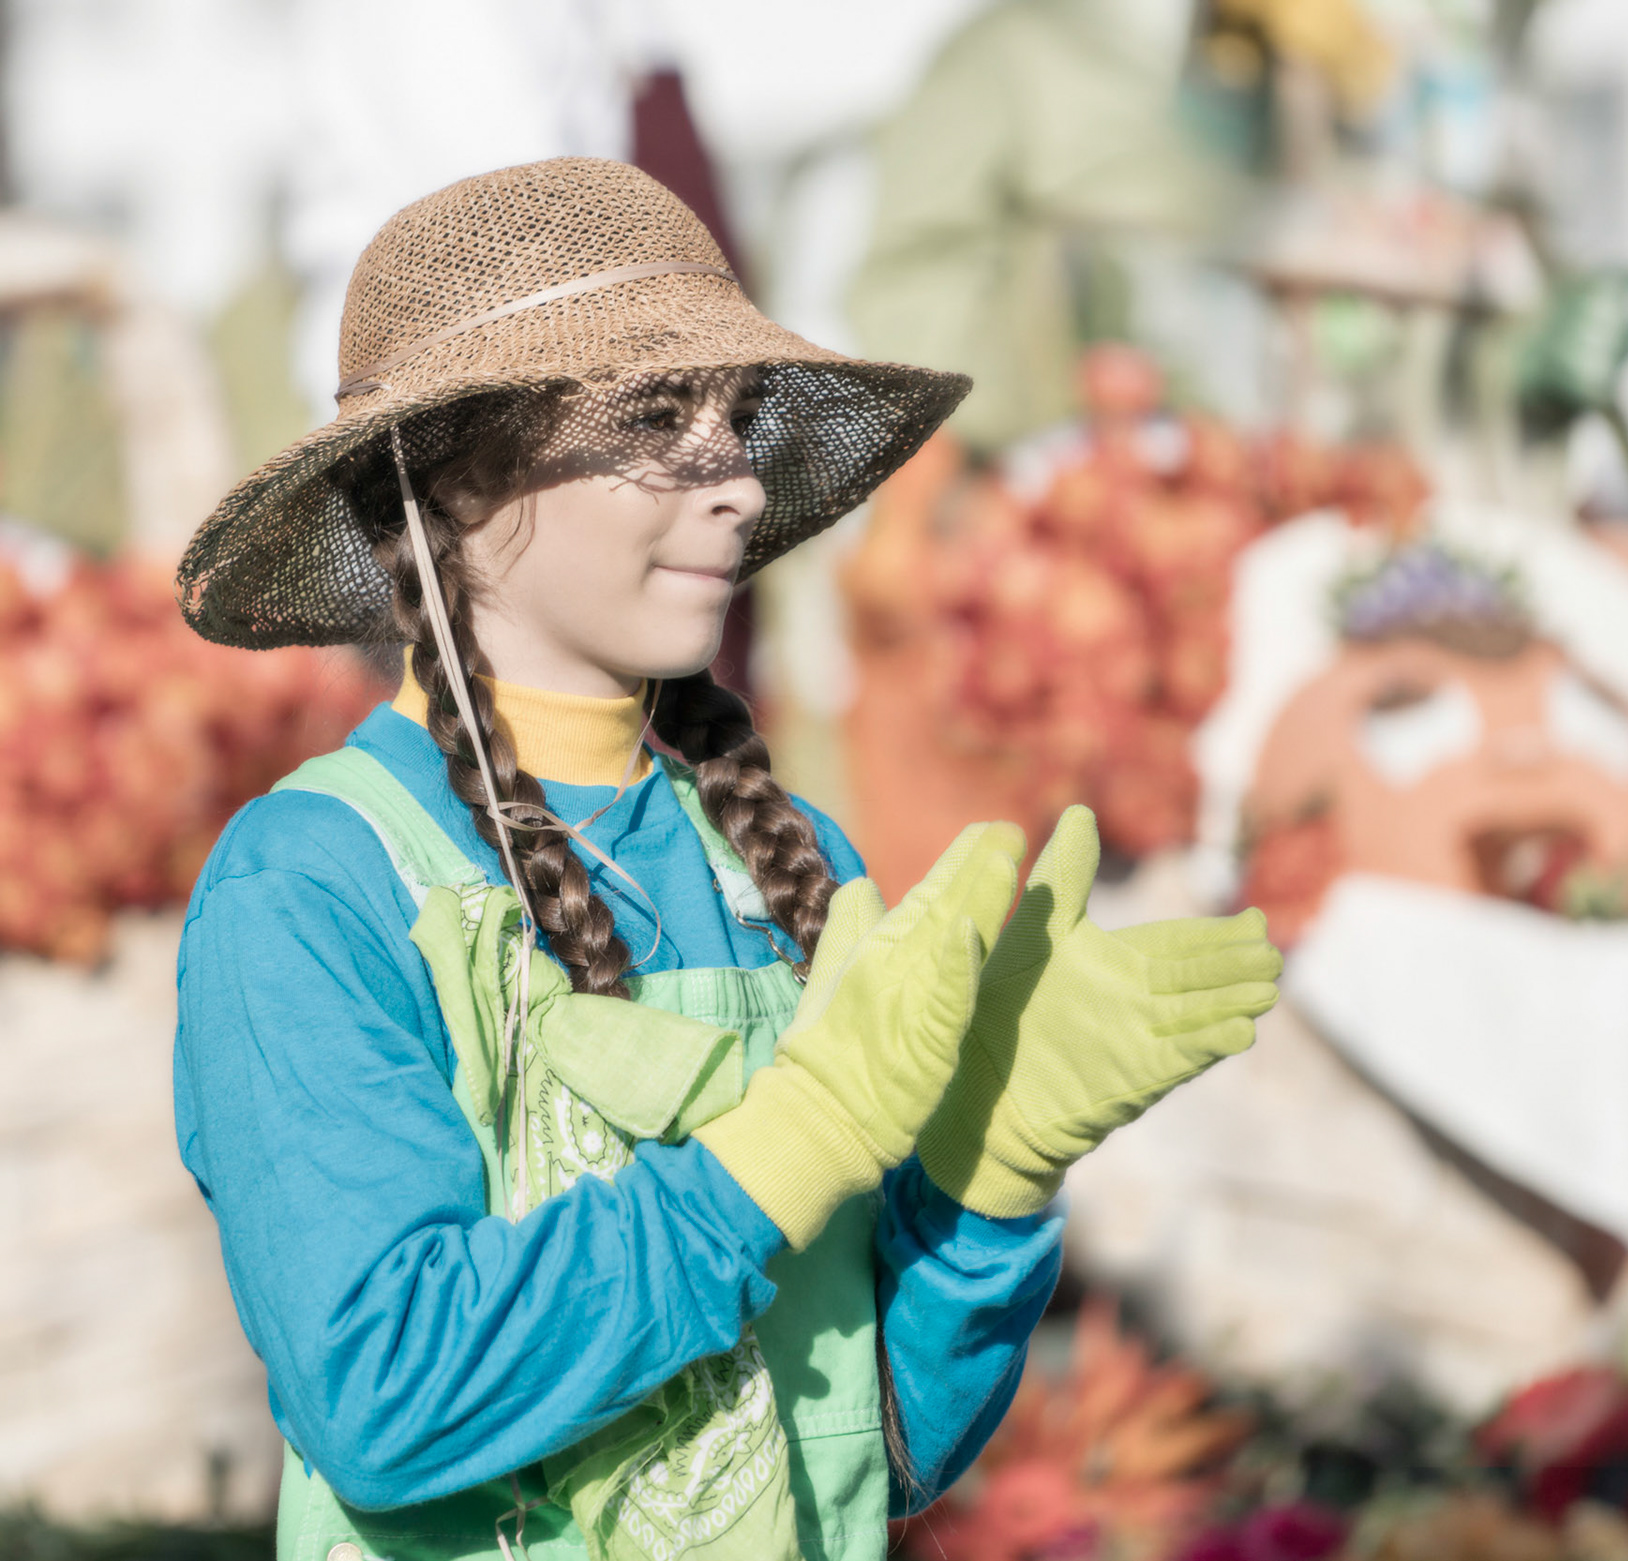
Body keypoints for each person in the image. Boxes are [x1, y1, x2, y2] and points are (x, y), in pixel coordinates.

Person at [172, 158, 1280, 1561]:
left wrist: (991, 1184)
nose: (740, 485)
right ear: (453, 476)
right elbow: (382, 1393)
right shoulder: (314, 882)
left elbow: (876, 1444)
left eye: (740, 420)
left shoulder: (790, 859)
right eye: (654, 418)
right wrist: (792, 1145)